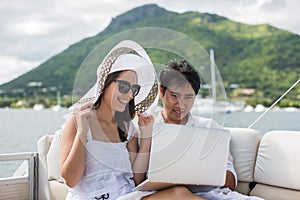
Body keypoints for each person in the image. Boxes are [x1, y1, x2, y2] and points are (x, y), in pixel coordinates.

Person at [119, 59, 264, 199]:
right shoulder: (146, 129)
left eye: (189, 97)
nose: (181, 104)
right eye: (174, 96)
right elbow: (137, 180)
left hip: (210, 194)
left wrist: (198, 173)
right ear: (162, 91)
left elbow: (230, 182)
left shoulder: (209, 128)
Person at [60, 40, 160, 200]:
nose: (129, 95)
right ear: (105, 82)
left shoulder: (128, 129)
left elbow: (137, 180)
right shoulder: (76, 121)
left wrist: (146, 135)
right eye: (124, 86)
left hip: (126, 195)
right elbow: (70, 180)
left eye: (134, 89)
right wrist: (83, 131)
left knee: (182, 193)